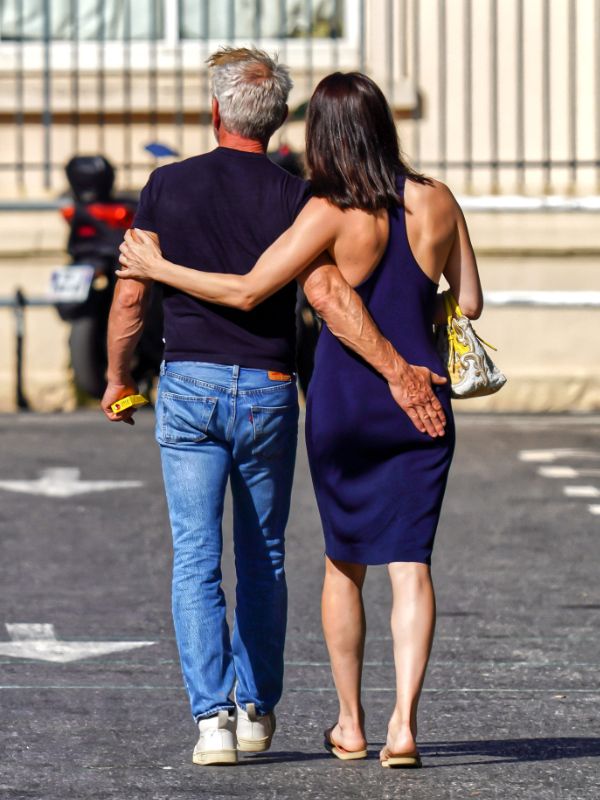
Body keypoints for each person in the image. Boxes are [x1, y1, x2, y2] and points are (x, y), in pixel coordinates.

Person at [117, 71, 484, 767]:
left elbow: (252, 287)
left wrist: (164, 270)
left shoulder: (326, 209)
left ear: (322, 131)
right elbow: (467, 301)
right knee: (412, 566)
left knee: (344, 564)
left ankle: (350, 723)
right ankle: (403, 727)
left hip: (346, 399)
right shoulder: (439, 200)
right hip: (424, 398)